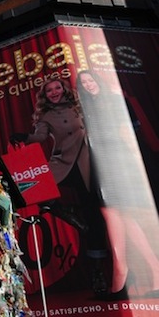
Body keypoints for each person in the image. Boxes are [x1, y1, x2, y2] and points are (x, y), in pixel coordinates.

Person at [11, 78, 108, 296]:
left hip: (88, 164)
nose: (54, 92)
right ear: (45, 95)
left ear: (64, 89)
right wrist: (24, 137)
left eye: (57, 88)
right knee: (39, 190)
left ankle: (97, 274)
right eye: (49, 90)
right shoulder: (46, 116)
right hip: (62, 163)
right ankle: (71, 216)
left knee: (94, 219)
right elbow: (40, 137)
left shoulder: (79, 105)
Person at [76, 70, 159, 300]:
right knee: (121, 217)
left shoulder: (113, 99)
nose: (89, 85)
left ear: (98, 80)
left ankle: (121, 274)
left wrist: (134, 167)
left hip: (118, 162)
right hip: (102, 163)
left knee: (112, 214)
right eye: (84, 83)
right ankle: (150, 270)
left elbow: (127, 134)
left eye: (91, 80)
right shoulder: (88, 107)